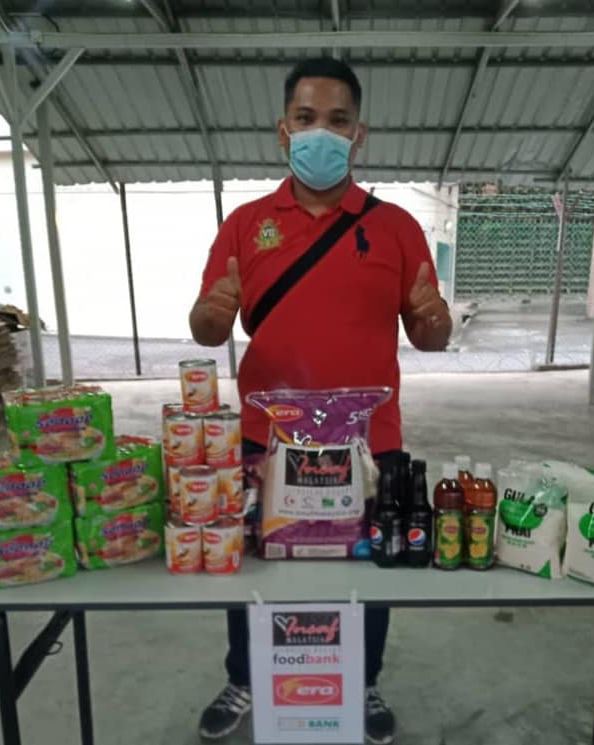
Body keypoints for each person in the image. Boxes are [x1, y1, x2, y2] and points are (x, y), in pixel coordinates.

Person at [190, 57, 452, 745]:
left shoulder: (395, 227)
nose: (321, 133)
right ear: (283, 130)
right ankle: (246, 676)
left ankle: (361, 681)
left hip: (368, 439)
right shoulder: (246, 224)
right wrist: (210, 315)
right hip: (268, 437)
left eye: (338, 120)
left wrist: (434, 319)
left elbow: (431, 336)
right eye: (306, 118)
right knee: (255, 563)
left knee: (371, 566)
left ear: (358, 134)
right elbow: (207, 326)